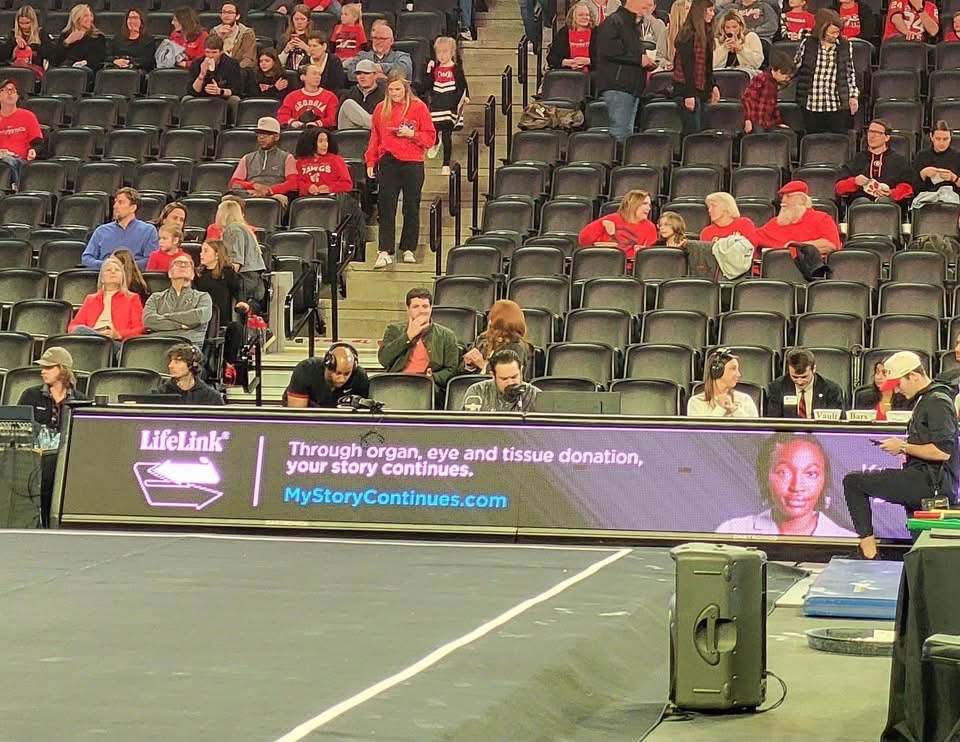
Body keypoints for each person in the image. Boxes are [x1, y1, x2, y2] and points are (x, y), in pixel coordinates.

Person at [843, 350, 959, 559]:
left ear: (913, 376)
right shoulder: (926, 399)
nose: (896, 390)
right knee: (925, 550)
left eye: (898, 383)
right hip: (926, 479)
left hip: (930, 483)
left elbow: (943, 452)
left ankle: (868, 553)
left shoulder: (936, 401)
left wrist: (904, 447)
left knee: (853, 482)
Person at [716, 433, 856, 536]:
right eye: (784, 472)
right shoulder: (733, 532)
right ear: (765, 476)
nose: (796, 487)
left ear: (825, 480)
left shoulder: (847, 541)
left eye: (810, 474)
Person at [366, 72, 436, 269]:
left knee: (411, 206)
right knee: (386, 207)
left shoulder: (419, 108)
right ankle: (384, 250)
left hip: (413, 162)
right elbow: (375, 138)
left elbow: (430, 139)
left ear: (405, 89)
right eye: (391, 89)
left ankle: (408, 248)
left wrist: (412, 134)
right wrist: (370, 161)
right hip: (388, 161)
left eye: (398, 89)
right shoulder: (381, 109)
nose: (394, 93)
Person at [18, 346, 86, 527]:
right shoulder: (30, 395)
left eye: (48, 368)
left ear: (62, 370)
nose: (43, 371)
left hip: (64, 460)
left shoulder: (80, 400)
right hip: (35, 459)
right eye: (43, 367)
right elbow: (22, 428)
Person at [594, 0, 657, 142]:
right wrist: (639, 59)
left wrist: (646, 62)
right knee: (620, 134)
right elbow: (608, 50)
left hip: (631, 86)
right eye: (644, 2)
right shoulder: (614, 22)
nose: (648, 4)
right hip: (619, 86)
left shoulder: (632, 24)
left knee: (626, 133)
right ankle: (617, 162)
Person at [378, 287, 460, 389]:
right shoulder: (394, 330)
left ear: (431, 308)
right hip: (397, 383)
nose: (421, 311)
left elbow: (451, 369)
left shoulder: (447, 335)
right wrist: (408, 336)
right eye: (416, 306)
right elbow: (384, 360)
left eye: (425, 306)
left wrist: (433, 377)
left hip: (427, 385)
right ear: (408, 309)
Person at [793, 9, 859, 134]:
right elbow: (795, 67)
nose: (836, 35)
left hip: (836, 104)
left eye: (838, 32)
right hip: (811, 104)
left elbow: (850, 73)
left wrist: (853, 96)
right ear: (822, 30)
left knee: (837, 140)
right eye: (832, 32)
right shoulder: (808, 44)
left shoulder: (845, 46)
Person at [68, 255, 146, 351]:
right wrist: (96, 334)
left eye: (117, 270)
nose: (113, 272)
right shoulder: (90, 299)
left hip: (115, 342)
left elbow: (140, 329)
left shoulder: (132, 298)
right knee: (79, 330)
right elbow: (73, 327)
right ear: (102, 278)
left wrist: (118, 334)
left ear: (122, 277)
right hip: (91, 339)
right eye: (108, 270)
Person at [836, 119, 913, 206]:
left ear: (887, 137)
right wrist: (854, 182)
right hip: (860, 202)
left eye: (877, 133)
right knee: (862, 203)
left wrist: (891, 193)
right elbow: (839, 187)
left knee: (884, 202)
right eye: (870, 132)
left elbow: (908, 187)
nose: (872, 136)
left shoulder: (899, 161)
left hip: (888, 203)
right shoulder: (858, 159)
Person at [143, 255, 214, 347]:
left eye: (187, 265)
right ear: (170, 273)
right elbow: (149, 321)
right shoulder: (155, 298)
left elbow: (200, 316)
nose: (183, 266)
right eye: (178, 264)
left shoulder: (203, 297)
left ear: (192, 275)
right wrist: (180, 325)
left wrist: (166, 317)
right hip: (158, 343)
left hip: (188, 345)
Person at [228, 116, 298, 208]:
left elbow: (293, 183)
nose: (261, 137)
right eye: (259, 134)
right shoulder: (247, 158)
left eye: (266, 134)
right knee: (228, 199)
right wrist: (253, 186)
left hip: (274, 195)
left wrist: (269, 190)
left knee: (280, 199)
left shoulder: (287, 157)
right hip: (250, 192)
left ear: (276, 137)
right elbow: (234, 183)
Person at [756, 180, 842, 255]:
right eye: (782, 197)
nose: (783, 202)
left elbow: (831, 245)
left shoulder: (822, 219)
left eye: (788, 196)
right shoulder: (774, 223)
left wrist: (797, 246)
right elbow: (754, 237)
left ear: (802, 200)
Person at [673, 0, 721, 134]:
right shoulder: (688, 35)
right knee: (692, 132)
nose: (713, 14)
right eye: (710, 10)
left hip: (702, 91)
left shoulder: (707, 34)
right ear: (701, 11)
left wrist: (713, 85)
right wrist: (689, 94)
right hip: (687, 90)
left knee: (703, 132)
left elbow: (707, 66)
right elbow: (687, 67)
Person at [82, 187, 159, 269]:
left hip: (134, 276)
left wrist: (124, 266)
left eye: (120, 202)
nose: (115, 206)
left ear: (133, 208)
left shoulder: (148, 230)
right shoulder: (101, 231)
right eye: (115, 203)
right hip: (105, 275)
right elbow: (87, 258)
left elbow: (150, 260)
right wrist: (107, 264)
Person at [194, 238, 244, 363]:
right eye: (201, 251)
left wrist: (242, 301)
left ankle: (228, 364)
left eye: (205, 251)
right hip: (201, 319)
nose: (201, 254)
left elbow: (238, 290)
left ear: (217, 254)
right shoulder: (198, 274)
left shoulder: (227, 273)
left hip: (221, 320)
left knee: (236, 328)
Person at [578, 190, 657, 267]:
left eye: (649, 205)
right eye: (645, 204)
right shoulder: (610, 219)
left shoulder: (650, 228)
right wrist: (601, 225)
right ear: (633, 204)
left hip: (631, 270)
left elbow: (649, 259)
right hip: (603, 265)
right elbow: (583, 240)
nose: (649, 208)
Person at [427, 36, 470, 176]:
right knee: (433, 128)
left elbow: (462, 84)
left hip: (449, 103)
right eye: (439, 52)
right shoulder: (435, 68)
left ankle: (445, 163)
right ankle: (435, 141)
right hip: (436, 102)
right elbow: (427, 84)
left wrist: (466, 96)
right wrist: (428, 70)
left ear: (452, 53)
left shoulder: (455, 68)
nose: (441, 55)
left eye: (445, 52)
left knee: (447, 134)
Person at [461, 299, 535, 379]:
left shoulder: (517, 347)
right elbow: (459, 373)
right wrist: (469, 365)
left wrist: (483, 366)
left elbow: (509, 379)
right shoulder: (482, 340)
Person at [215, 199, 266, 312]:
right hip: (253, 277)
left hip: (244, 278)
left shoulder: (233, 230)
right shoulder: (243, 228)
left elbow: (236, 261)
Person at [765, 347, 845, 418]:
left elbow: (837, 423)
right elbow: (774, 422)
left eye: (804, 377)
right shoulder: (777, 387)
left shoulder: (831, 390)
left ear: (813, 369)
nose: (799, 382)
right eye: (795, 377)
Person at [284, 343, 371, 407]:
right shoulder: (305, 371)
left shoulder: (360, 377)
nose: (341, 379)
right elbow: (297, 417)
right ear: (327, 364)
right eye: (338, 373)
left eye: (346, 374)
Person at [687, 347, 760, 417]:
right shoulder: (696, 402)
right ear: (717, 371)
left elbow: (755, 428)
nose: (739, 374)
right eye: (733, 369)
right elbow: (703, 429)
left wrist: (734, 410)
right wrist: (720, 408)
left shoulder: (745, 400)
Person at [462, 349, 540, 412]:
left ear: (521, 370)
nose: (510, 382)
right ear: (493, 375)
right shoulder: (477, 392)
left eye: (514, 377)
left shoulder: (535, 395)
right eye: (504, 379)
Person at [0, 79, 42, 187]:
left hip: (21, 161)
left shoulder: (28, 116)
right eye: (5, 90)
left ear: (18, 97)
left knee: (8, 160)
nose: (9, 93)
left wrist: (33, 151)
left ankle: (16, 189)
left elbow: (37, 142)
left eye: (13, 91)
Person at [48, 4, 106, 81]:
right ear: (76, 18)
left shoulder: (98, 37)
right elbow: (55, 60)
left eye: (91, 15)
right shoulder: (65, 35)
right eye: (86, 16)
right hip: (66, 68)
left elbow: (98, 58)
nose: (90, 19)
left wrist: (84, 62)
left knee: (78, 72)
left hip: (86, 70)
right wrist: (66, 42)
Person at [741, 51, 795, 134]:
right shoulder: (760, 79)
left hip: (768, 123)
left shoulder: (774, 83)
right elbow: (747, 100)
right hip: (756, 122)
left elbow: (774, 106)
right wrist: (747, 119)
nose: (787, 79)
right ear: (778, 71)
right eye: (786, 76)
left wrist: (778, 122)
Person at [344, 20, 413, 82]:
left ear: (391, 41)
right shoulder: (361, 56)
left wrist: (377, 67)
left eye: (382, 39)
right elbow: (351, 74)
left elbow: (403, 71)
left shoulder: (401, 56)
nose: (378, 42)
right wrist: (376, 77)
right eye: (375, 38)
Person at [912, 121, 960, 210]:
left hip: (952, 200)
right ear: (931, 137)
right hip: (926, 199)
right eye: (938, 139)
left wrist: (954, 178)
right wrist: (923, 174)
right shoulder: (922, 156)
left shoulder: (957, 157)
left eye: (945, 139)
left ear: (950, 139)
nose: (941, 143)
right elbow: (912, 187)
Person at [155, 343, 224, 405]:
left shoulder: (212, 397)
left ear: (191, 365)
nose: (170, 366)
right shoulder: (160, 394)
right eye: (171, 361)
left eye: (177, 362)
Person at [277, 62, 339, 129]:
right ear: (303, 77)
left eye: (319, 74)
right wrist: (293, 122)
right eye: (314, 74)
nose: (318, 77)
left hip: (321, 131)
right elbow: (282, 116)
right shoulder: (291, 97)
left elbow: (332, 118)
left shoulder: (330, 97)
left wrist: (317, 123)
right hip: (298, 132)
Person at [295, 127, 353, 196]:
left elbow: (347, 184)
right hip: (307, 199)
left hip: (331, 199)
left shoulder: (336, 160)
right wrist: (307, 187)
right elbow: (296, 182)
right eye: (321, 141)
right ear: (311, 143)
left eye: (326, 141)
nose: (325, 145)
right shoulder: (301, 162)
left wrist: (330, 188)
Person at [187, 34, 242, 100]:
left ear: (221, 52)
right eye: (207, 52)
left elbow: (236, 91)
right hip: (202, 97)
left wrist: (219, 91)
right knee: (187, 98)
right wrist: (201, 75)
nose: (210, 56)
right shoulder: (196, 63)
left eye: (214, 52)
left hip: (223, 98)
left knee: (235, 99)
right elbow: (192, 91)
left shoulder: (232, 64)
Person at [337, 59, 386, 130]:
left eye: (366, 73)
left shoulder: (384, 93)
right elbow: (339, 119)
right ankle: (376, 125)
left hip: (372, 134)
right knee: (348, 104)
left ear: (375, 75)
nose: (362, 77)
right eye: (358, 73)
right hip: (351, 133)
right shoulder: (349, 94)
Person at [2, 6, 49, 79]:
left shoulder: (41, 34)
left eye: (27, 23)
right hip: (15, 71)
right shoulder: (13, 34)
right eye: (21, 23)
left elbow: (52, 56)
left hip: (34, 73)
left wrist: (36, 45)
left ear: (33, 22)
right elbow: (4, 56)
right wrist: (14, 43)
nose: (24, 27)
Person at [547, 3, 595, 72]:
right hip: (567, 74)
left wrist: (589, 61)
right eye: (580, 15)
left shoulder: (596, 32)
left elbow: (604, 58)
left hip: (592, 75)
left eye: (587, 15)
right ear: (573, 17)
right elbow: (551, 58)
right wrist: (566, 62)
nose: (585, 17)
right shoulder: (563, 33)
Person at [713, 10, 763, 75]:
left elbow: (757, 63)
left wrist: (741, 49)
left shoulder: (751, 37)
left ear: (741, 27)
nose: (731, 30)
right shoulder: (717, 41)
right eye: (728, 27)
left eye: (734, 27)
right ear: (723, 28)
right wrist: (724, 48)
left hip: (745, 74)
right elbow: (712, 64)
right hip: (722, 75)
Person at [212, 1, 256, 70]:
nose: (226, 15)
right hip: (217, 69)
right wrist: (219, 37)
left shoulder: (247, 33)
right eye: (224, 12)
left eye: (230, 12)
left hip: (239, 70)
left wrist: (234, 70)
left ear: (237, 16)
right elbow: (210, 54)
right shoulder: (214, 31)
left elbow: (249, 59)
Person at [278, 5, 314, 71]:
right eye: (296, 19)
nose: (299, 22)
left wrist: (306, 48)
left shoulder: (314, 37)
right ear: (292, 20)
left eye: (302, 19)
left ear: (308, 21)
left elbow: (319, 61)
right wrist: (285, 51)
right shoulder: (284, 38)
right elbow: (277, 63)